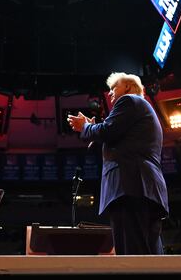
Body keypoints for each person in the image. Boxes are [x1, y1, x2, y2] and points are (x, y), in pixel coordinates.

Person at [67, 72, 169, 255]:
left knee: (133, 254)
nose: (110, 94)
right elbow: (115, 140)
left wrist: (85, 127)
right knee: (149, 254)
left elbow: (107, 130)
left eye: (114, 88)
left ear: (128, 87)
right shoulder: (140, 109)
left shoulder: (129, 101)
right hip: (143, 187)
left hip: (130, 186)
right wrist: (93, 131)